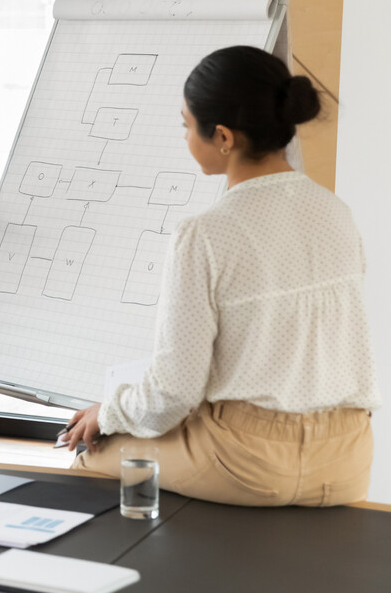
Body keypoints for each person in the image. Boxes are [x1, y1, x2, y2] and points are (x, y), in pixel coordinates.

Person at [63, 46, 381, 506]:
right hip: (346, 457)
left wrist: (107, 412)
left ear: (225, 138)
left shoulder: (204, 234)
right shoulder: (336, 212)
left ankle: (155, 570)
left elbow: (173, 393)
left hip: (250, 462)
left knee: (93, 452)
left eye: (187, 125)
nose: (186, 138)